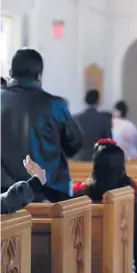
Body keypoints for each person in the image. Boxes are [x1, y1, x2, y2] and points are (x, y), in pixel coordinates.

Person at [1, 48, 82, 202]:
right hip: (49, 195)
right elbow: (74, 144)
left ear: (11, 73)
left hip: (4, 199)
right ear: (39, 75)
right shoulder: (55, 105)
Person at [71, 138, 137, 273]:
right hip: (125, 254)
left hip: (86, 257)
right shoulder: (131, 190)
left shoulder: (81, 191)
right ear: (121, 165)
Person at [73, 89, 112, 161]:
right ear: (98, 101)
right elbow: (108, 141)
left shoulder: (75, 119)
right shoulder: (104, 119)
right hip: (98, 158)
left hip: (78, 158)